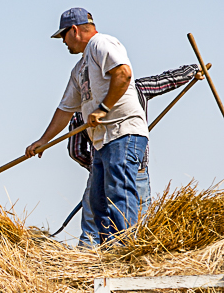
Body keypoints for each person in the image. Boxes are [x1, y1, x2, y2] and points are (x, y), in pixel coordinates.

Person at [26, 8, 149, 243]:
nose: (63, 42)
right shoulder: (79, 69)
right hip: (102, 141)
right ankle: (107, 254)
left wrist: (102, 109)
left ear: (74, 30)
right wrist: (43, 141)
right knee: (98, 202)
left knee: (119, 194)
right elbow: (65, 109)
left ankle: (124, 250)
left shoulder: (101, 44)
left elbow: (123, 74)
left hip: (122, 132)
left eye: (63, 36)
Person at [70, 64, 200, 246]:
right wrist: (193, 70)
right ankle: (129, 262)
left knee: (92, 232)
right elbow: (167, 79)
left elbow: (76, 151)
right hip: (137, 171)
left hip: (99, 171)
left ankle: (87, 267)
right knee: (137, 228)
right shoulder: (137, 89)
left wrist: (96, 166)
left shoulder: (81, 109)